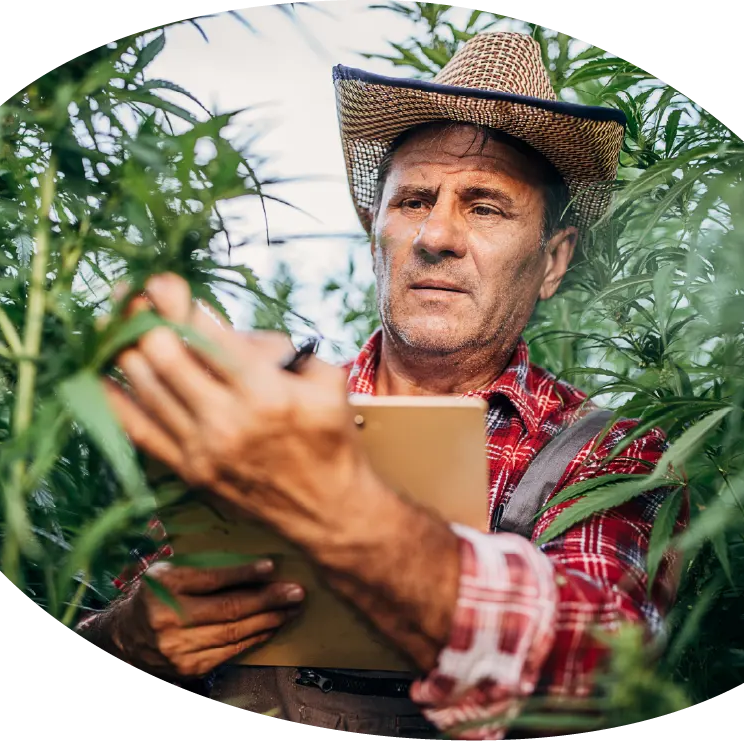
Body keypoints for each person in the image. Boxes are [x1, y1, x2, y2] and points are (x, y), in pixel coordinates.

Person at [76, 31, 688, 740]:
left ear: (553, 261)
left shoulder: (613, 454)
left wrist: (341, 510)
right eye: (413, 200)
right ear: (375, 231)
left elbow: (605, 669)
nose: (436, 235)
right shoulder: (264, 407)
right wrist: (126, 640)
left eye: (485, 206)